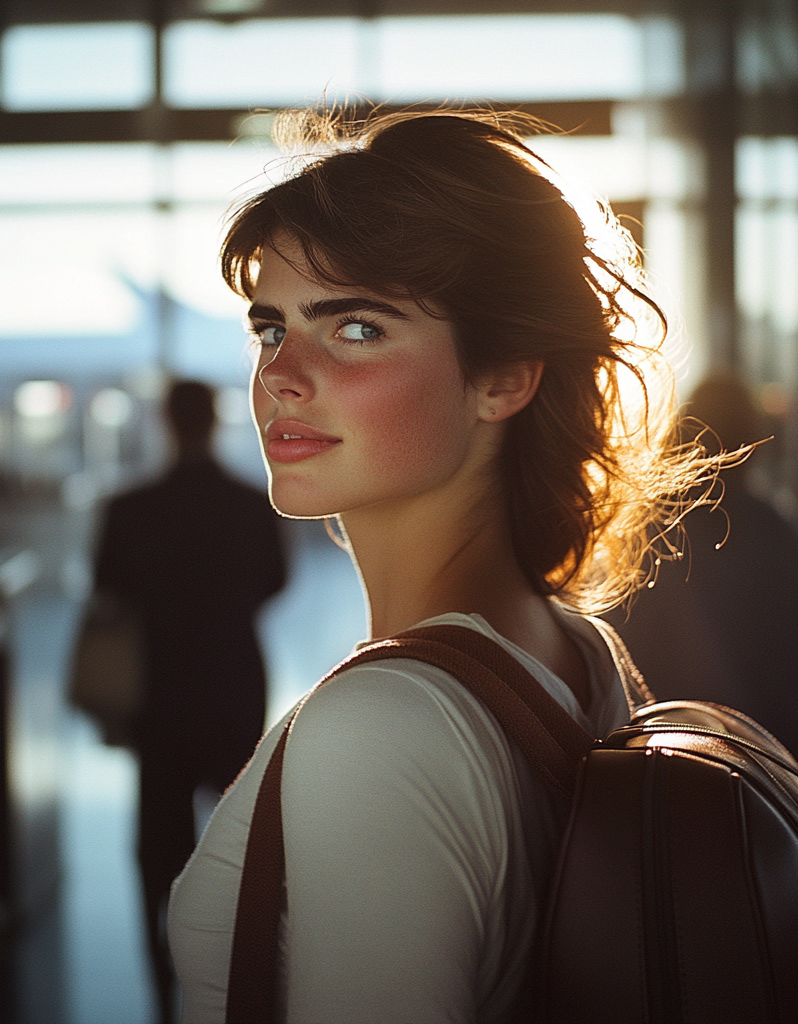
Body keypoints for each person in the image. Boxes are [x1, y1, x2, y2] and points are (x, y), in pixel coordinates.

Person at [167, 110, 719, 1022]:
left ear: (505, 377)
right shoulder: (577, 650)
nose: (282, 376)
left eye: (356, 329)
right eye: (271, 329)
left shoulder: (380, 730)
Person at [92, 379, 286, 1024]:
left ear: (166, 422)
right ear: (214, 422)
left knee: (158, 834)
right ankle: (236, 970)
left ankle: (160, 977)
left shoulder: (130, 508)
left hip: (160, 686)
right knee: (238, 830)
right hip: (233, 682)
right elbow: (274, 582)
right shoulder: (250, 505)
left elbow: (108, 588)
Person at [607, 373, 798, 818]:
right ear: (755, 446)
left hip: (660, 801)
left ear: (676, 436)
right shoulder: (789, 543)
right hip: (783, 808)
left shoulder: (636, 543)